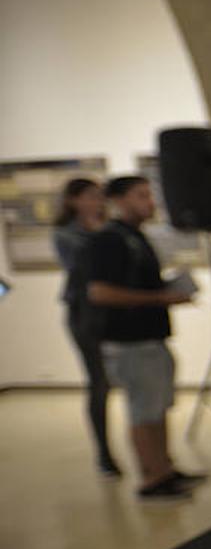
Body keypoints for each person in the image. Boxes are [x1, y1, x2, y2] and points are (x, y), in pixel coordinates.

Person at [86, 176, 204, 502]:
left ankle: (164, 468)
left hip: (150, 338)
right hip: (129, 341)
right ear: (119, 201)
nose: (149, 202)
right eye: (141, 196)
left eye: (149, 195)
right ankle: (151, 478)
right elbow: (100, 291)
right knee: (143, 410)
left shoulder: (135, 237)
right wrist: (159, 299)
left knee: (157, 407)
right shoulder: (109, 240)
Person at [52, 177, 120, 477]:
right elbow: (85, 263)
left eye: (100, 197)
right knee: (99, 383)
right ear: (74, 201)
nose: (98, 202)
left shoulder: (108, 230)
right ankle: (104, 452)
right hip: (85, 314)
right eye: (91, 196)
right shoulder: (66, 235)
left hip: (111, 311)